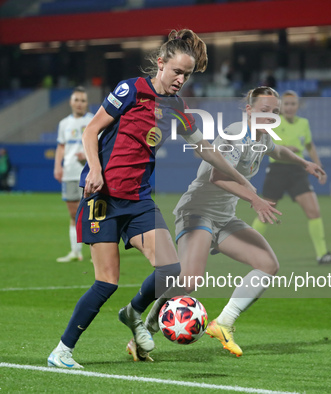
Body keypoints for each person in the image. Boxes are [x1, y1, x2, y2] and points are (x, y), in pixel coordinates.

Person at [47, 29, 257, 369]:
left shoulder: (175, 106)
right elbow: (91, 130)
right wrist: (96, 171)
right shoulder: (130, 90)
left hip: (138, 198)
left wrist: (240, 177)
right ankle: (62, 350)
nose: (181, 80)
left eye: (186, 75)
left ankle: (133, 312)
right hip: (103, 196)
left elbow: (204, 148)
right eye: (177, 71)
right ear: (160, 64)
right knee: (106, 282)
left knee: (171, 268)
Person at [139, 87, 325, 358]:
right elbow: (217, 176)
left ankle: (223, 323)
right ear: (249, 109)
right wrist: (255, 199)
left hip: (225, 218)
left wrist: (304, 163)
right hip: (197, 211)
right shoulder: (236, 134)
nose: (271, 116)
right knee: (190, 279)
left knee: (268, 264)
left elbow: (278, 151)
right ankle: (145, 327)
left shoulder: (262, 136)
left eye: (275, 112)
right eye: (264, 110)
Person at [251, 90, 331, 265]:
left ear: (298, 106)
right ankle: (246, 244)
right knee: (266, 212)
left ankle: (322, 255)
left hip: (298, 171)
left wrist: (319, 167)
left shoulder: (304, 124)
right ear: (281, 107)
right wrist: (285, 148)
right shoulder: (273, 121)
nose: (290, 107)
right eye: (286, 104)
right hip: (277, 170)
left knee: (313, 211)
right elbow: (265, 142)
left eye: (293, 104)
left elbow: (309, 145)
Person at [54, 87, 94, 263]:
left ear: (87, 103)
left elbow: (101, 144)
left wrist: (87, 155)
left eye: (83, 100)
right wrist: (57, 166)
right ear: (71, 102)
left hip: (90, 173)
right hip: (70, 172)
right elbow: (61, 146)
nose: (79, 103)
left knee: (94, 214)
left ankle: (96, 253)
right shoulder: (64, 124)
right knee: (73, 214)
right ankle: (75, 252)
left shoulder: (93, 120)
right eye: (76, 100)